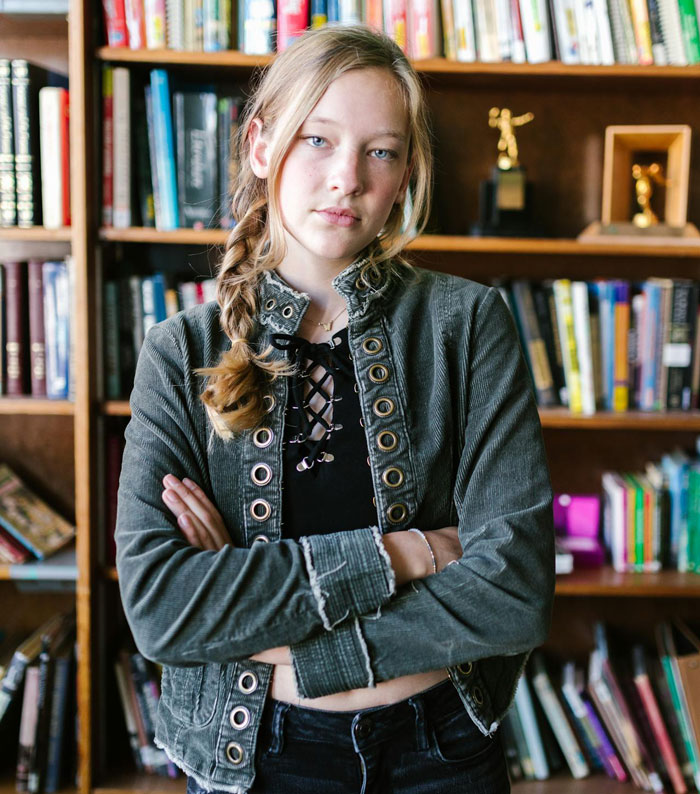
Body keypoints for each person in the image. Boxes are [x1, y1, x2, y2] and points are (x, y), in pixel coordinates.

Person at [115, 24, 554, 794]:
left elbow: (513, 590)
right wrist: (408, 553)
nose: (347, 177)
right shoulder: (177, 352)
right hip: (251, 756)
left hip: (443, 752)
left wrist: (266, 621)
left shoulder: (468, 324)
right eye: (318, 140)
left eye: (380, 151)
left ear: (404, 174)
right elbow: (161, 610)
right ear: (261, 146)